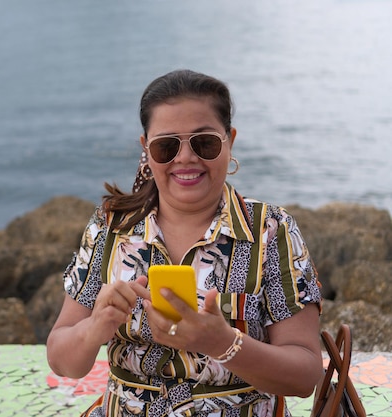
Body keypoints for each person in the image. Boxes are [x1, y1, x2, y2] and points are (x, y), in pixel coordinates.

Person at [46, 69, 323, 417]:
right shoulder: (110, 227)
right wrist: (94, 327)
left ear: (230, 141)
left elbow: (305, 375)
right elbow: (62, 360)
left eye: (204, 142)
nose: (186, 158)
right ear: (147, 149)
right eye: (167, 146)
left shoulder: (270, 230)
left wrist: (222, 343)